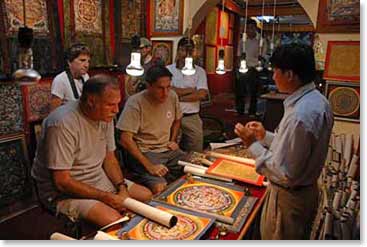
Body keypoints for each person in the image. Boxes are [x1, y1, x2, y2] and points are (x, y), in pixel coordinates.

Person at [234, 43, 334, 239]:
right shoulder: (317, 100)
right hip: (303, 192)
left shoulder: (301, 114)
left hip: (290, 198)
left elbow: (284, 172)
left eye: (276, 71)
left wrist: (251, 144)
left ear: (289, 75)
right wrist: (264, 136)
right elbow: (294, 147)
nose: (273, 77)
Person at [32, 74, 152, 228]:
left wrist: (122, 187)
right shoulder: (62, 123)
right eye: (110, 105)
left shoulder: (105, 115)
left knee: (147, 197)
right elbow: (62, 182)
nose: (116, 110)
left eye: (117, 104)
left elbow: (109, 159)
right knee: (115, 221)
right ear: (90, 101)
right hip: (63, 193)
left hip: (96, 178)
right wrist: (105, 197)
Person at [117, 65, 186, 195]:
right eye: (160, 88)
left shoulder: (172, 96)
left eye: (168, 87)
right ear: (149, 86)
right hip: (146, 152)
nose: (165, 93)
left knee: (195, 168)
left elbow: (178, 119)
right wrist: (149, 166)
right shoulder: (135, 102)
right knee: (160, 188)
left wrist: (173, 140)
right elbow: (125, 139)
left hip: (167, 148)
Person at [167, 37, 208, 152]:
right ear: (178, 51)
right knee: (170, 147)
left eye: (189, 52)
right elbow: (168, 92)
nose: (186, 55)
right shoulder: (168, 70)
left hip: (191, 117)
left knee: (195, 150)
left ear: (194, 52)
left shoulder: (200, 71)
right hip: (170, 116)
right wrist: (191, 89)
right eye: (183, 50)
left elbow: (201, 95)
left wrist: (177, 96)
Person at [235, 19, 266, 117]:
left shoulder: (261, 41)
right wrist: (238, 67)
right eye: (247, 28)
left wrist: (260, 62)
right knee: (240, 90)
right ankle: (240, 111)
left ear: (255, 28)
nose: (249, 30)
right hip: (244, 67)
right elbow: (238, 55)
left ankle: (252, 112)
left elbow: (263, 56)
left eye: (251, 28)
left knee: (254, 91)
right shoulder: (242, 41)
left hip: (255, 68)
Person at [50, 43, 91, 110]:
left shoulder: (86, 76)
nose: (86, 65)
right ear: (69, 62)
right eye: (82, 60)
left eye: (88, 61)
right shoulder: (60, 80)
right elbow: (54, 112)